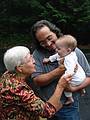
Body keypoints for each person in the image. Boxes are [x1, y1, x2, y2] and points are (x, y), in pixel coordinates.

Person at [31, 20, 90, 120]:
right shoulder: (37, 54)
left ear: (56, 32)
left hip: (68, 107)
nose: (48, 43)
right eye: (42, 42)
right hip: (46, 106)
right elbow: (37, 81)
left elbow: (88, 76)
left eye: (49, 38)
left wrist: (73, 89)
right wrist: (59, 70)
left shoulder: (72, 50)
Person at [0, 46, 72, 120]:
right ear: (19, 68)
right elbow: (46, 112)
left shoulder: (8, 74)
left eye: (31, 56)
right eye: (29, 60)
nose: (34, 61)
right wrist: (60, 86)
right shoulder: (17, 89)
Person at [43, 35, 86, 105]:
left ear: (68, 50)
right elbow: (56, 56)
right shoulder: (70, 53)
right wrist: (49, 59)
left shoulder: (68, 59)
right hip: (81, 75)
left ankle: (70, 98)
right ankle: (81, 88)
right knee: (76, 81)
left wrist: (64, 78)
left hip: (76, 78)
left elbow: (70, 71)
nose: (56, 50)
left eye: (58, 49)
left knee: (64, 86)